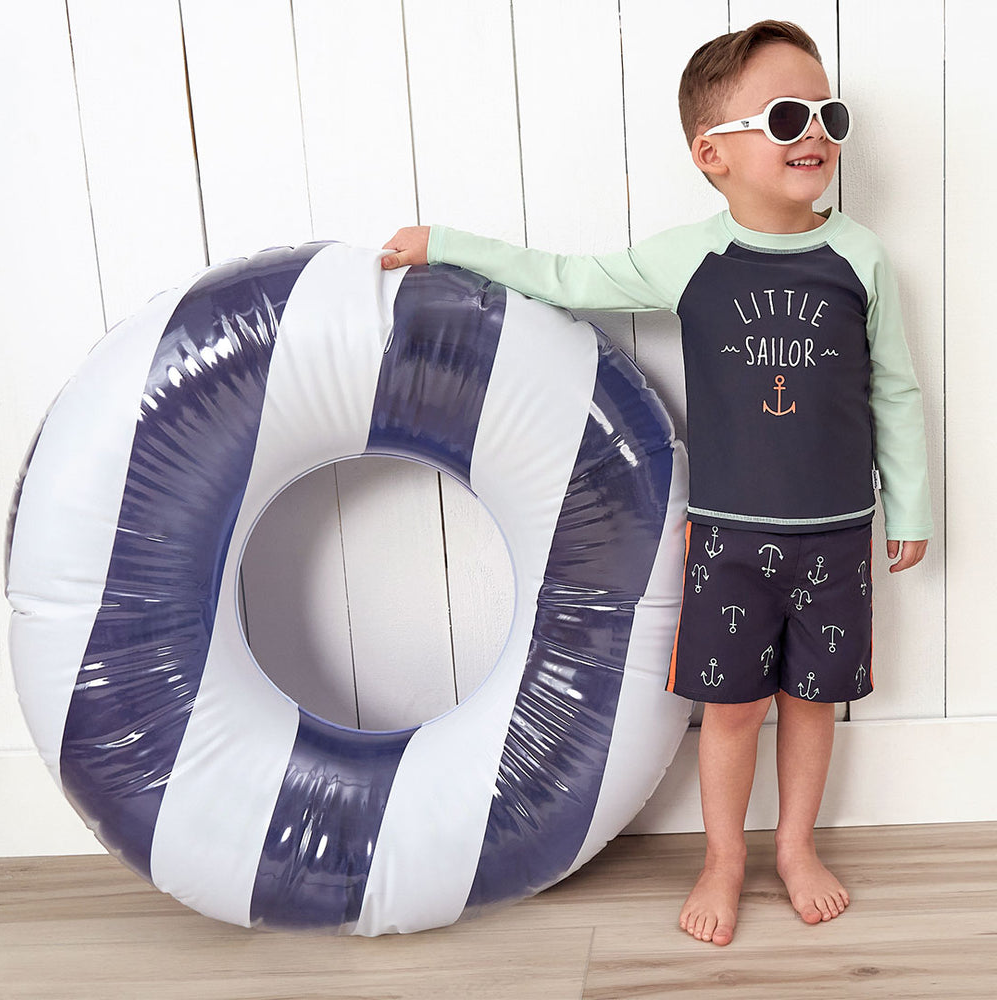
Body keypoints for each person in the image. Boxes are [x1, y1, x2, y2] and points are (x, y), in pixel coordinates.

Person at [380, 20, 932, 947]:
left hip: (836, 536)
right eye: (787, 116)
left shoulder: (861, 258)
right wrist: (447, 244)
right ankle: (723, 858)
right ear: (714, 154)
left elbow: (896, 390)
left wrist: (909, 506)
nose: (816, 132)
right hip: (728, 540)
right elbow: (566, 278)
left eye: (829, 114)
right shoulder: (690, 258)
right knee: (731, 708)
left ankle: (796, 846)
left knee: (812, 704)